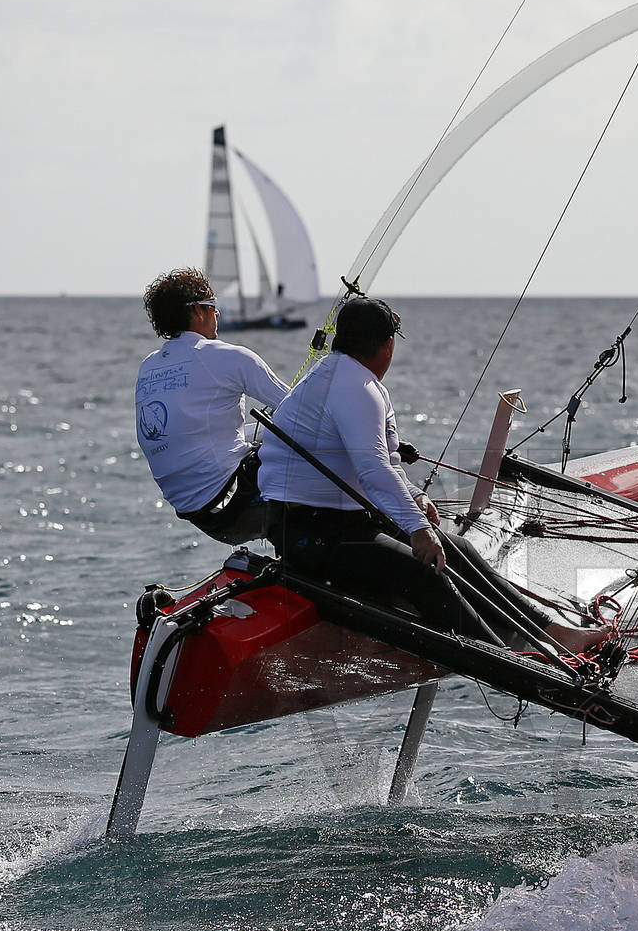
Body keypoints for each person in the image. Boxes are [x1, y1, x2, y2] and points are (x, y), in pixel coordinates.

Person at [257, 296, 595, 653]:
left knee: (458, 547)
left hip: (341, 522)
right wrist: (418, 529)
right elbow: (373, 470)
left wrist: (415, 497)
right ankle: (512, 658)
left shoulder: (345, 377)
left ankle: (550, 631)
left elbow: (385, 461)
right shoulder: (355, 388)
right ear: (389, 345)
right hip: (308, 534)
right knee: (424, 570)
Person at [136, 268, 289, 543]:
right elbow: (300, 409)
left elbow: (196, 435)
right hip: (235, 503)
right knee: (311, 434)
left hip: (200, 516)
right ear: (197, 310)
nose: (217, 313)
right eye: (212, 305)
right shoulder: (231, 357)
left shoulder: (149, 366)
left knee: (268, 431)